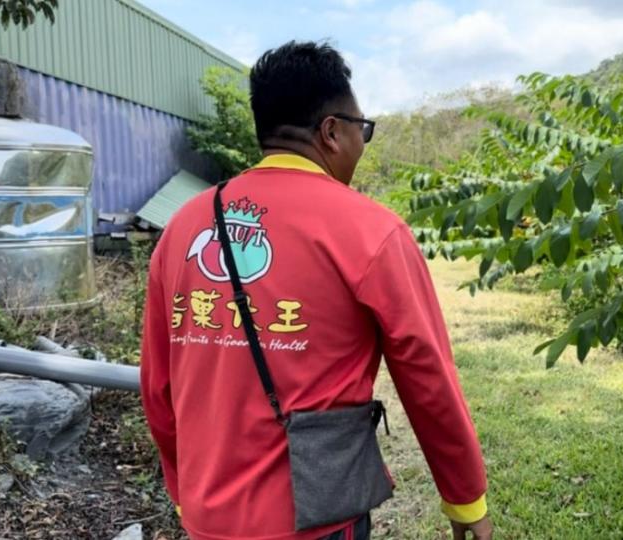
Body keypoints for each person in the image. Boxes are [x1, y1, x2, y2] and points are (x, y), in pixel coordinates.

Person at [139, 40, 494, 540]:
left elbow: (158, 386)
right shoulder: (371, 231)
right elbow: (428, 377)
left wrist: (182, 493)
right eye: (362, 130)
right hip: (316, 521)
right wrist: (465, 500)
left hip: (206, 518)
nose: (362, 144)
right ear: (331, 132)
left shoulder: (183, 228)